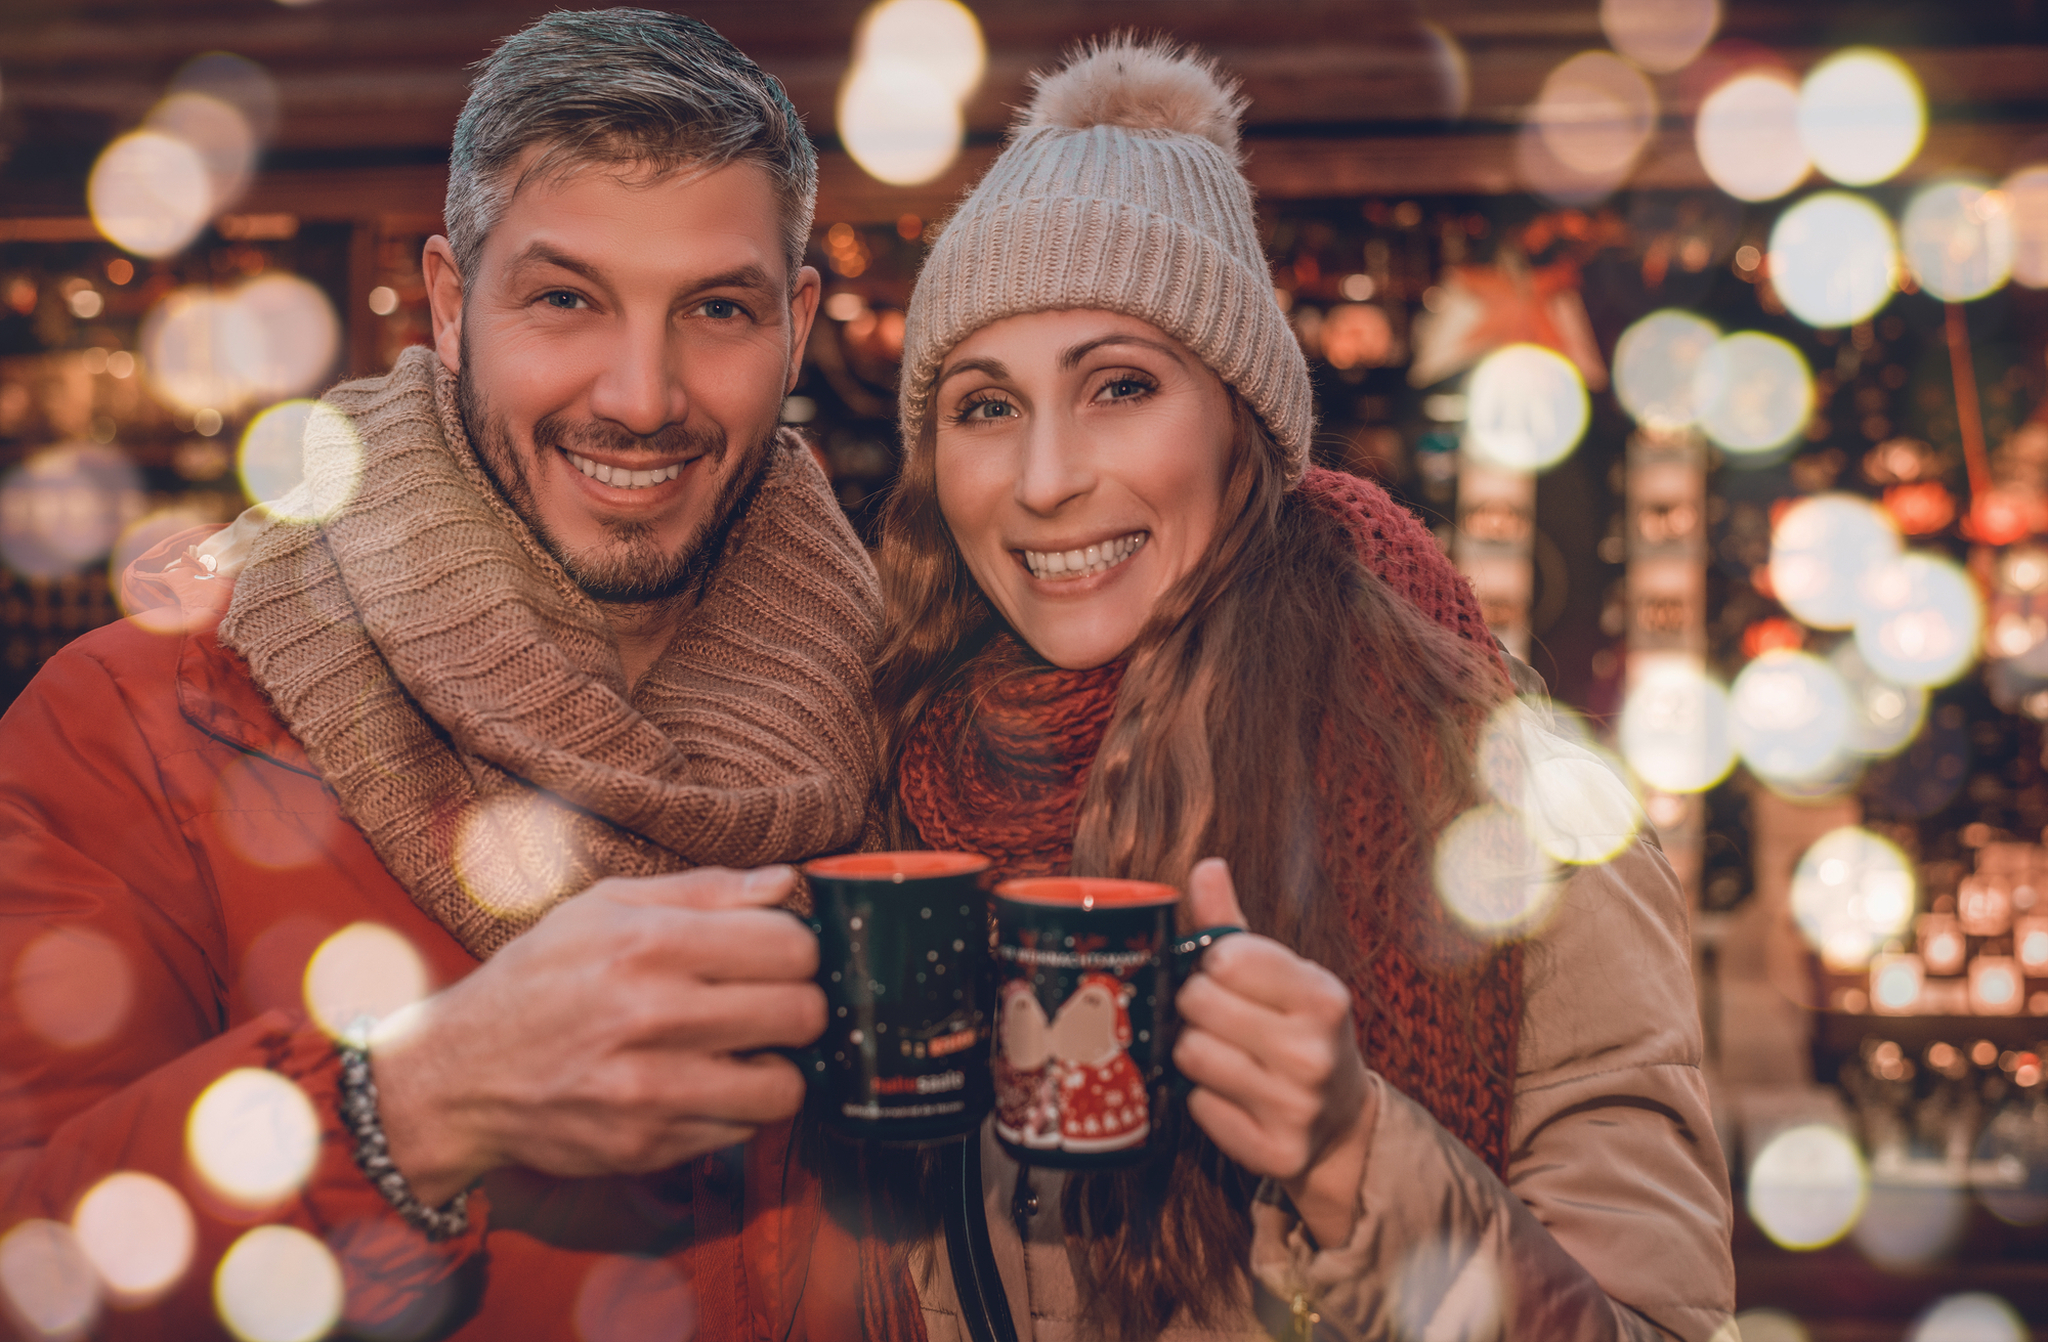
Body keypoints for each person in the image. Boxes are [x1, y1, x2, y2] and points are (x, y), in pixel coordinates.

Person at [0, 11, 872, 1339]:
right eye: (566, 299)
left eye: (718, 308)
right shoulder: (143, 717)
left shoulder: (909, 698)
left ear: (796, 323)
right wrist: (411, 1105)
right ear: (456, 305)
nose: (643, 395)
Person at [861, 37, 1737, 1341]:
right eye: (985, 405)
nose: (1043, 477)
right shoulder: (896, 787)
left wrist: (1353, 1151)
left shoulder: (1508, 801)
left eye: (1119, 386)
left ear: (1239, 421)